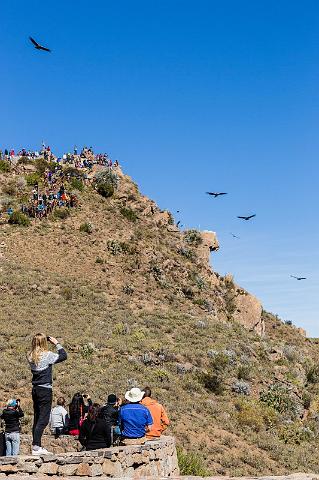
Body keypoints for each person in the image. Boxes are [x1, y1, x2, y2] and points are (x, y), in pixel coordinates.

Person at [28, 334, 67, 455]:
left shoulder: (30, 356)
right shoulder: (47, 355)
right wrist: (56, 343)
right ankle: (36, 447)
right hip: (45, 390)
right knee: (44, 419)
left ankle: (37, 445)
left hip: (35, 389)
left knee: (37, 417)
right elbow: (64, 355)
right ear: (44, 342)